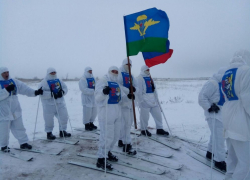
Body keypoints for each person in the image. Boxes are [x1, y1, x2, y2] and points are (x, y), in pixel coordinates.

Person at [221, 50, 250, 180]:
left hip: (228, 119)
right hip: (241, 121)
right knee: (246, 164)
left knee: (232, 160)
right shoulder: (246, 71)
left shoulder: (226, 73)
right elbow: (247, 99)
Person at [0, 67, 43, 152]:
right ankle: (4, 146)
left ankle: (23, 143)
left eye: (7, 72)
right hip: (4, 111)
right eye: (4, 73)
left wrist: (35, 92)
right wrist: (6, 90)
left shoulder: (14, 81)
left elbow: (24, 89)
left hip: (16, 109)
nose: (6, 74)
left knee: (20, 127)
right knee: (4, 129)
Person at [95, 66, 126, 170]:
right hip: (106, 113)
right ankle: (101, 158)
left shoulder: (117, 83)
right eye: (113, 71)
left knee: (115, 135)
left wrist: (129, 97)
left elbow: (121, 97)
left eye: (117, 71)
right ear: (109, 71)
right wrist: (103, 92)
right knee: (107, 136)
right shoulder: (103, 81)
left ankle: (108, 152)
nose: (115, 73)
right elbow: (97, 97)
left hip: (117, 112)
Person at [198, 67, 227, 172]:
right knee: (220, 137)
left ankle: (210, 153)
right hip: (213, 114)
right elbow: (202, 97)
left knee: (215, 134)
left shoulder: (222, 83)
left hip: (220, 113)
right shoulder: (212, 83)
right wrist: (209, 107)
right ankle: (219, 161)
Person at [38, 67, 71, 140]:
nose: (53, 74)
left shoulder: (59, 80)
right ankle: (49, 133)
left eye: (54, 72)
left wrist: (62, 92)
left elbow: (65, 88)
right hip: (49, 104)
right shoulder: (44, 82)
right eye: (51, 72)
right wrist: (51, 94)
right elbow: (41, 93)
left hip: (60, 103)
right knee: (49, 119)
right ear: (48, 73)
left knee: (64, 117)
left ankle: (63, 131)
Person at [136, 65, 169, 136]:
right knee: (144, 116)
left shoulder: (150, 78)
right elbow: (139, 91)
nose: (148, 71)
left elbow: (154, 89)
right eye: (146, 70)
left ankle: (159, 128)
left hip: (153, 100)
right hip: (145, 101)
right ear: (143, 70)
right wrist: (141, 101)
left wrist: (157, 98)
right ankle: (143, 129)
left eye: (148, 70)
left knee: (158, 115)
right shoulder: (139, 78)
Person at [117, 58, 136, 155]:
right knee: (126, 123)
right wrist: (128, 91)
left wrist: (134, 89)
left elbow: (135, 86)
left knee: (128, 122)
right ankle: (126, 144)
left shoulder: (131, 75)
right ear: (124, 64)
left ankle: (121, 140)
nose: (129, 66)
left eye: (130, 64)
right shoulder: (119, 73)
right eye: (127, 64)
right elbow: (118, 86)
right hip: (123, 102)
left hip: (130, 102)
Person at [79, 67, 97, 131]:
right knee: (87, 112)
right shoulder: (83, 79)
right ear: (86, 71)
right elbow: (83, 89)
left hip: (93, 98)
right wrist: (93, 91)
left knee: (94, 112)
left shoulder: (93, 78)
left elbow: (96, 85)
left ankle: (91, 123)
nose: (90, 72)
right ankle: (86, 124)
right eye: (89, 71)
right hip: (87, 98)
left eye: (91, 71)